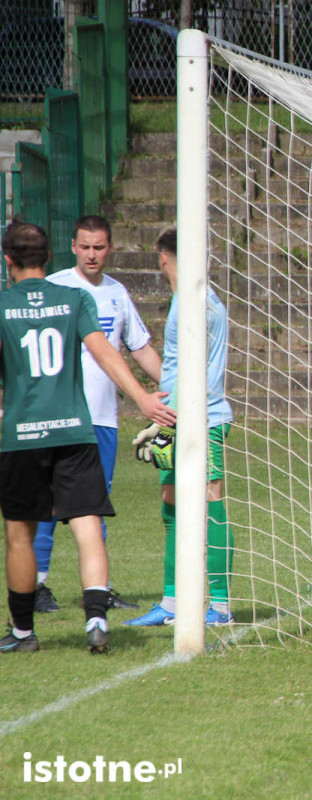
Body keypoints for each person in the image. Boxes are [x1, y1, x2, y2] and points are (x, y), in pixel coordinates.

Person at [0, 223, 174, 653]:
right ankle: (96, 617)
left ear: (7, 261)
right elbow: (105, 352)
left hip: (22, 435)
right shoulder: (73, 297)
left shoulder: (3, 305)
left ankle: (23, 633)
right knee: (87, 525)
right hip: (75, 432)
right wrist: (142, 398)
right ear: (52, 253)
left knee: (20, 533)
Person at [32, 215, 161, 614]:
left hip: (102, 419)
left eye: (99, 247)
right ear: (73, 247)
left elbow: (138, 347)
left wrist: (180, 387)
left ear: (110, 248)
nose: (92, 254)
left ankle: (99, 588)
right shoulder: (55, 287)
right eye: (85, 246)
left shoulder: (118, 294)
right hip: (57, 416)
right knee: (46, 505)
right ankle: (37, 586)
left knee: (95, 503)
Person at [125, 229, 236, 627]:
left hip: (203, 419)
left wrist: (178, 417)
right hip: (177, 419)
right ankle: (172, 602)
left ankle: (220, 607)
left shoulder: (198, 304)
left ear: (162, 258)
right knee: (172, 501)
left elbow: (201, 372)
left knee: (210, 501)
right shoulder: (183, 301)